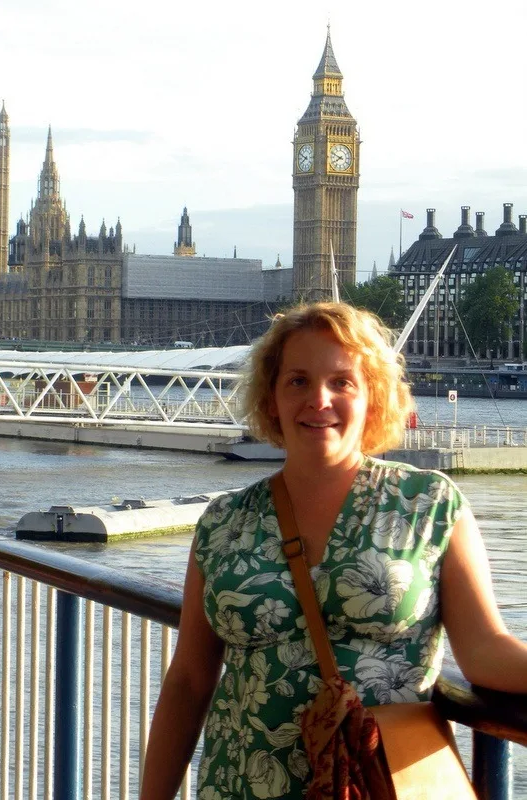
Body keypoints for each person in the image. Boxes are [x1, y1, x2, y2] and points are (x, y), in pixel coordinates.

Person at [139, 302, 527, 800]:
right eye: (297, 381)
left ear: (373, 399)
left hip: (374, 785)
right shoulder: (224, 522)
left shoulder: (428, 505)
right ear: (272, 399)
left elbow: (484, 650)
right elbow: (189, 681)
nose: (318, 399)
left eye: (342, 382)